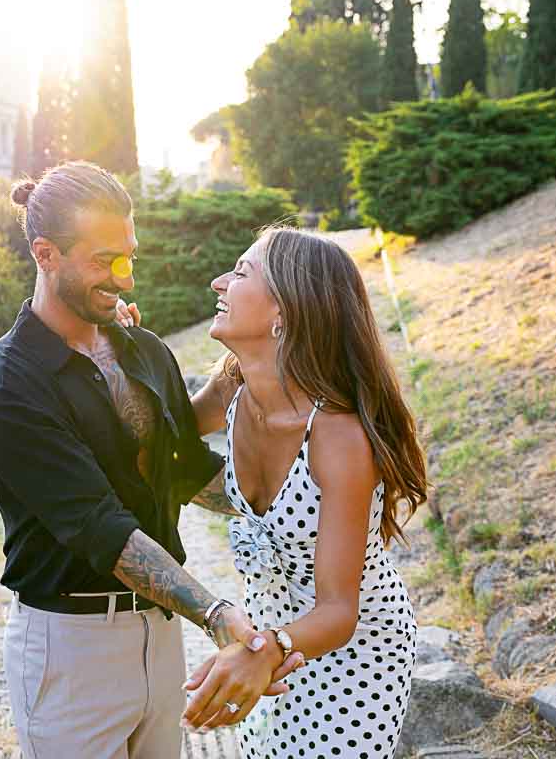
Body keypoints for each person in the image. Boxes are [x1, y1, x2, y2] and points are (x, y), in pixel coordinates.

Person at [0, 161, 301, 759]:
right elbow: (101, 526)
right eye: (104, 260)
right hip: (69, 648)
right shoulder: (5, 382)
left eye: (129, 256)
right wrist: (218, 615)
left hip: (161, 634)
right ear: (46, 254)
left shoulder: (143, 349)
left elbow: (186, 471)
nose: (125, 277)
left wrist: (304, 502)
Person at [141, 226, 428, 758]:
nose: (219, 281)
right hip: (269, 645)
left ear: (285, 313)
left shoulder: (337, 434)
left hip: (351, 651)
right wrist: (120, 342)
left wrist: (267, 649)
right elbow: (162, 431)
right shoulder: (234, 385)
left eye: (242, 272)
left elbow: (339, 610)